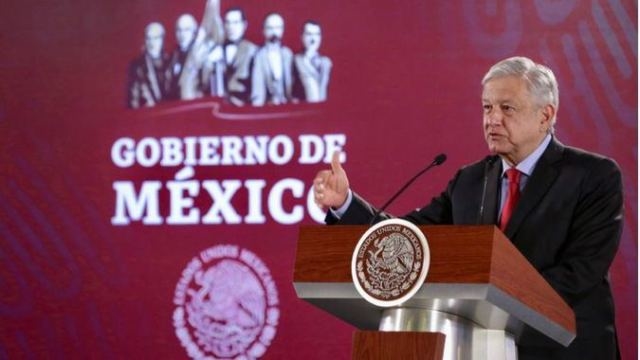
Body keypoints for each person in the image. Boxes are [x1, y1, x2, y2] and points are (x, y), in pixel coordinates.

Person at [312, 56, 622, 360]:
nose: (492, 119)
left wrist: (496, 302)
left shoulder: (592, 175)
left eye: (507, 108)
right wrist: (345, 205)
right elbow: (406, 240)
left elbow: (582, 270)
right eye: (487, 107)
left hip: (564, 351)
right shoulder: (470, 180)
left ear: (545, 115)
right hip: (480, 348)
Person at [207, 7, 258, 106]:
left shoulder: (253, 51)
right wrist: (209, 63)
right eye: (228, 22)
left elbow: (257, 89)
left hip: (244, 108)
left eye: (235, 22)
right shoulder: (216, 51)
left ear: (244, 25)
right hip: (218, 107)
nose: (231, 27)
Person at [251, 13, 293, 106]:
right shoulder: (259, 56)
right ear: (264, 31)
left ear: (282, 30)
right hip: (267, 107)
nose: (274, 32)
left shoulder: (288, 54)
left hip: (288, 106)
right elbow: (257, 87)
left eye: (278, 28)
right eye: (270, 28)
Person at [127, 22, 171, 109]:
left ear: (162, 39)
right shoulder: (137, 66)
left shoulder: (170, 60)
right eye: (148, 38)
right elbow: (133, 98)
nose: (151, 43)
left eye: (155, 38)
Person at [292, 21, 332, 103]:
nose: (313, 39)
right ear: (302, 37)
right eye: (309, 34)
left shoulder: (326, 63)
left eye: (317, 34)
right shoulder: (296, 60)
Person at [167, 13, 198, 100]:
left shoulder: (201, 55)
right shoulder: (172, 57)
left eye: (186, 30)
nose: (182, 34)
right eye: (179, 30)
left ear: (194, 32)